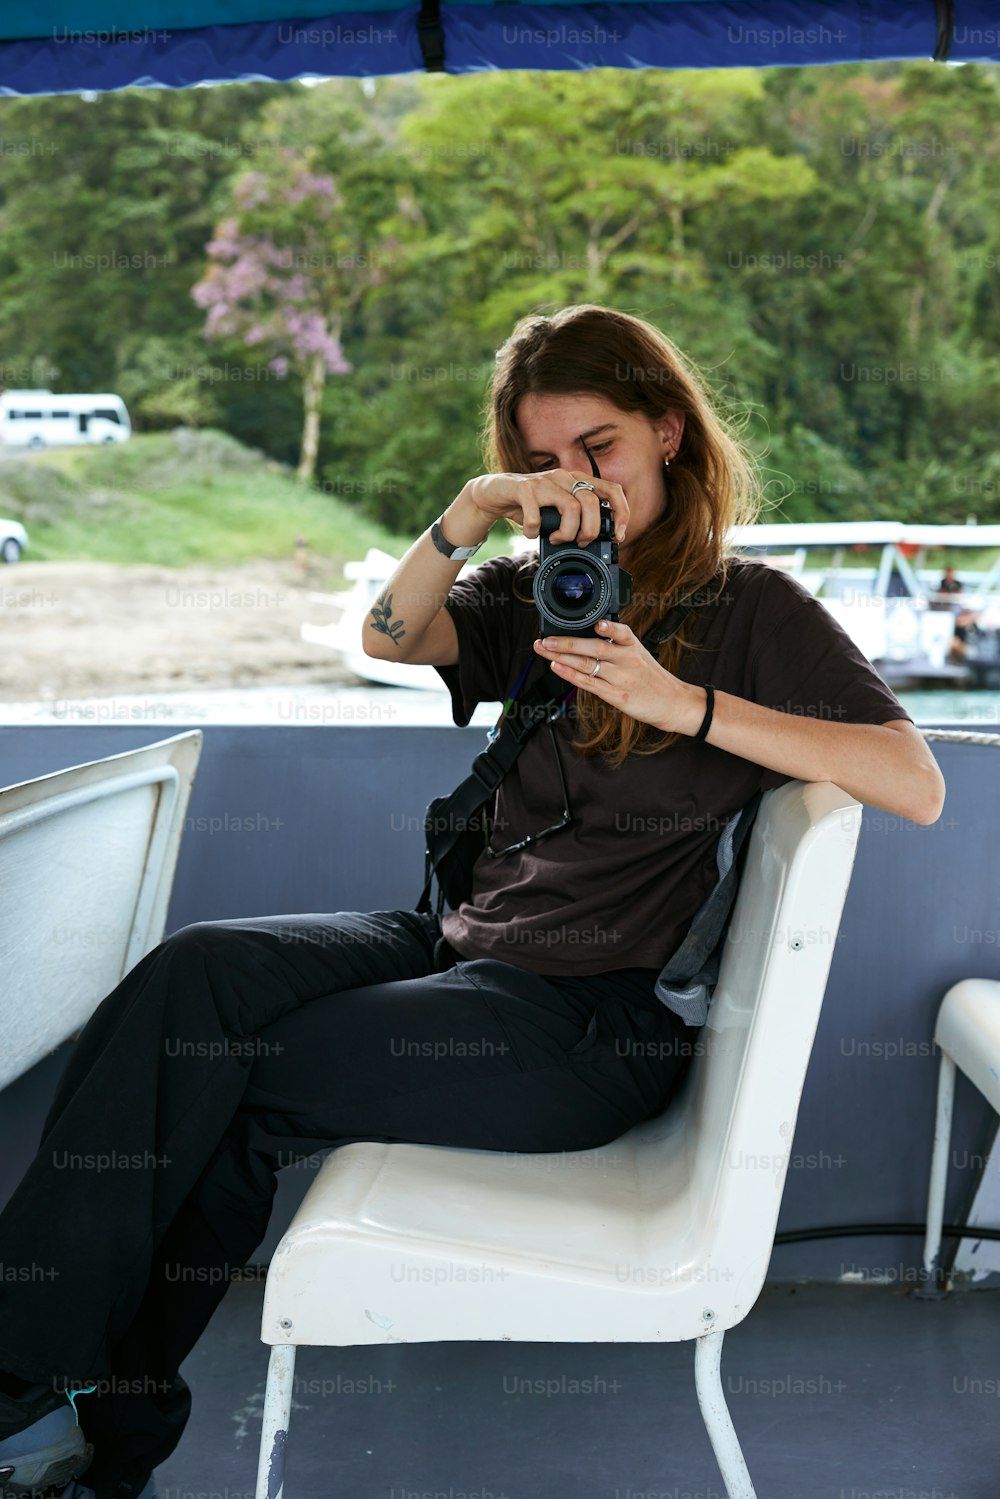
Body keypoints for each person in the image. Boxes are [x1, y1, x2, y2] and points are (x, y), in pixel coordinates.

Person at [0, 304, 946, 1499]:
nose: (577, 482)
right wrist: (467, 514)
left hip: (585, 1019)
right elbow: (390, 634)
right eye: (544, 460)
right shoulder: (548, 591)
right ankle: (61, 1385)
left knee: (229, 1079)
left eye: (597, 447)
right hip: (457, 940)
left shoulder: (750, 609)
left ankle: (51, 1387)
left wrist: (680, 703)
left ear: (668, 433)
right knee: (192, 973)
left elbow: (912, 780)